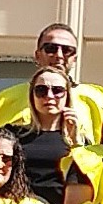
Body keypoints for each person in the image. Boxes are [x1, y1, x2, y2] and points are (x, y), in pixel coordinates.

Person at [0, 24, 103, 136]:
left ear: (75, 58)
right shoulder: (4, 100)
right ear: (37, 55)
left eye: (67, 50)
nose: (59, 55)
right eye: (51, 48)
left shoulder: (100, 99)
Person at [17, 65, 89, 197]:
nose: (49, 96)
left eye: (57, 90)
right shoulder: (14, 135)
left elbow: (88, 178)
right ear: (32, 95)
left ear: (67, 96)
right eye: (41, 90)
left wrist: (76, 144)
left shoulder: (81, 140)